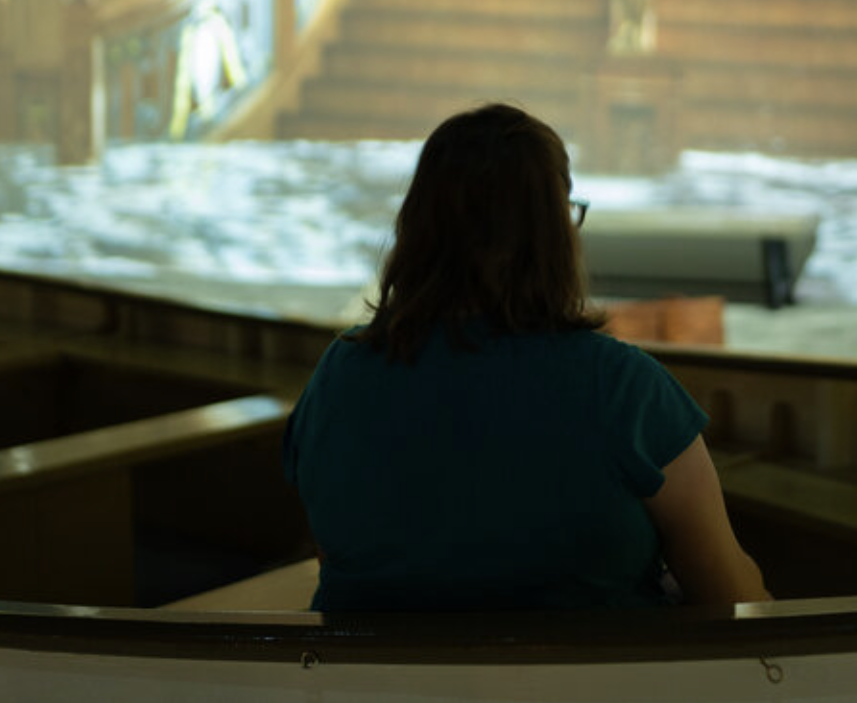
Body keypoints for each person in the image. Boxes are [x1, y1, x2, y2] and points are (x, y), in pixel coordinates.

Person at [282, 102, 768, 611]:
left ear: (419, 228)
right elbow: (731, 600)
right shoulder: (626, 390)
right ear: (556, 237)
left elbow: (339, 555)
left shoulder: (339, 376)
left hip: (369, 689)